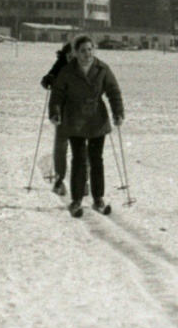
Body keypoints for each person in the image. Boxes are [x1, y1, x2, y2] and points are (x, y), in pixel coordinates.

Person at [49, 35, 125, 218]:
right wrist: (55, 112)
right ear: (76, 52)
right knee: (79, 159)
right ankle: (76, 200)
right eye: (83, 50)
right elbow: (57, 94)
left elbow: (113, 91)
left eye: (90, 49)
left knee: (96, 159)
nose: (87, 54)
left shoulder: (102, 68)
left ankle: (98, 198)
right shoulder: (68, 71)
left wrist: (118, 112)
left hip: (97, 118)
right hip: (75, 118)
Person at [41, 41, 76, 196]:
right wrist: (48, 80)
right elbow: (50, 76)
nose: (71, 59)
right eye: (68, 56)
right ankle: (60, 179)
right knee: (61, 145)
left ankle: (84, 180)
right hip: (62, 111)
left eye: (74, 56)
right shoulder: (60, 64)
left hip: (81, 112)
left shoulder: (85, 65)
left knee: (82, 147)